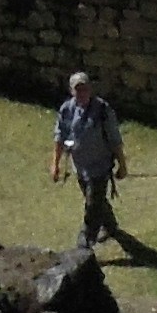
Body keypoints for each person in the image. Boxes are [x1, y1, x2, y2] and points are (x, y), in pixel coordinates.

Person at [48, 71, 128, 249]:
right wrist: (55, 164)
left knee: (92, 206)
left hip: (100, 168)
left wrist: (122, 165)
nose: (82, 92)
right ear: (71, 91)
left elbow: (115, 140)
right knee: (96, 200)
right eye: (78, 89)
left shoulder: (102, 110)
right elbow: (59, 136)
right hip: (80, 167)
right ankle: (111, 226)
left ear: (90, 89)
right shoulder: (67, 110)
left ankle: (85, 242)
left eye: (84, 88)